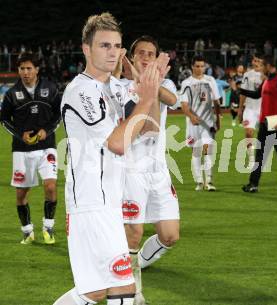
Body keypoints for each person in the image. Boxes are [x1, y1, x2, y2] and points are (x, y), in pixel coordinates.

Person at [53, 13, 168, 304]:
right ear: (86, 49)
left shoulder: (114, 88)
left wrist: (148, 89)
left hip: (106, 202)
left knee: (93, 291)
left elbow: (150, 128)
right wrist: (145, 99)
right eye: (104, 45)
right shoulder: (82, 91)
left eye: (117, 46)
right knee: (123, 286)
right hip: (92, 202)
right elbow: (118, 143)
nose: (112, 52)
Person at [116, 35, 180, 305]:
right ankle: (134, 292)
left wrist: (147, 79)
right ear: (130, 57)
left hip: (158, 169)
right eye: (140, 53)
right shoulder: (118, 86)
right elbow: (146, 126)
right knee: (133, 233)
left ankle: (138, 262)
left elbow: (172, 99)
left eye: (151, 54)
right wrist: (138, 78)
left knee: (170, 236)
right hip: (131, 169)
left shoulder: (164, 83)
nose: (145, 57)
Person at [0, 52, 60, 245]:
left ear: (36, 69)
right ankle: (27, 231)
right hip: (21, 149)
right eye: (22, 69)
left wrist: (47, 130)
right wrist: (20, 134)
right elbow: (3, 120)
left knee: (50, 186)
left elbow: (59, 115)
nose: (25, 72)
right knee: (21, 194)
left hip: (46, 147)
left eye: (29, 68)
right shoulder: (11, 94)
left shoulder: (50, 89)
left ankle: (48, 228)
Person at [241, 54, 277, 193]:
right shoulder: (267, 80)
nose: (260, 67)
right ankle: (253, 184)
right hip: (265, 123)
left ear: (269, 66)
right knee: (260, 155)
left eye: (263, 65)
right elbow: (255, 95)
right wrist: (238, 89)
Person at [180, 55, 221, 191]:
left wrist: (218, 120)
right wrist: (191, 116)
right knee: (196, 152)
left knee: (207, 150)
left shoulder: (210, 81)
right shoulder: (186, 83)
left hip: (208, 123)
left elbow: (216, 101)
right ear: (192, 67)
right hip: (193, 123)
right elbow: (184, 105)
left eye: (202, 66)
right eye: (197, 66)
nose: (199, 69)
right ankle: (199, 181)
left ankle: (209, 181)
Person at [237, 54, 263, 168]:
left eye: (258, 60)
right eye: (255, 60)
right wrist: (240, 109)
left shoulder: (267, 75)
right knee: (248, 133)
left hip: (264, 109)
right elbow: (243, 93)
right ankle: (252, 160)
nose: (256, 62)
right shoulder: (247, 75)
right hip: (250, 109)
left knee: (268, 137)